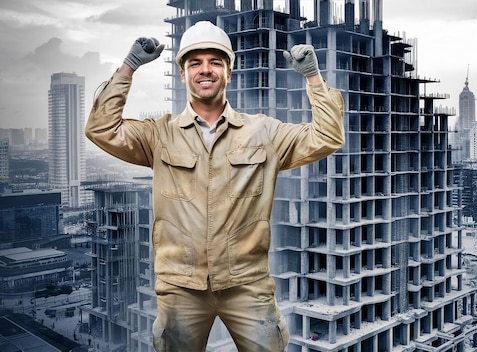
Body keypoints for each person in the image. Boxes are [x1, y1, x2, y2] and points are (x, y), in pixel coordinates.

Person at [85, 21, 344, 352]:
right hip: (181, 287)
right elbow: (101, 129)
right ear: (182, 74)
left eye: (215, 62)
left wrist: (313, 77)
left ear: (229, 72)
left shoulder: (264, 133)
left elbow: (327, 136)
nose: (205, 70)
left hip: (247, 284)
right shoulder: (159, 135)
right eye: (195, 62)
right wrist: (128, 67)